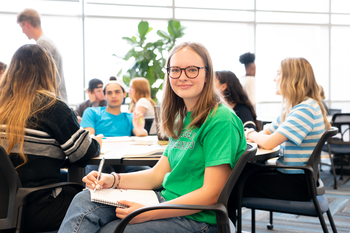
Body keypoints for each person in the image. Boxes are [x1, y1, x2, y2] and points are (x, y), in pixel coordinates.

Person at [58, 42, 246, 233]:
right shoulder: (182, 116)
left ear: (207, 74)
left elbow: (212, 194)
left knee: (110, 230)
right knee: (84, 199)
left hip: (198, 219)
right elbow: (157, 174)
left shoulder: (221, 119)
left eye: (192, 70)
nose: (182, 77)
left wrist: (151, 212)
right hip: (165, 201)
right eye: (176, 70)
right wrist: (113, 179)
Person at [0, 44, 102, 232]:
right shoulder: (53, 107)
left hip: (4, 208)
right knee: (95, 200)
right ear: (48, 72)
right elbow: (83, 154)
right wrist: (95, 142)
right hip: (32, 209)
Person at [228, 57, 331, 224]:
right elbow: (268, 131)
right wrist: (255, 134)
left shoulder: (305, 110)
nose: (274, 79)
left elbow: (268, 142)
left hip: (297, 183)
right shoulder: (293, 106)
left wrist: (249, 133)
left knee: (231, 182)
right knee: (239, 173)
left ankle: (223, 227)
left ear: (292, 79)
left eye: (278, 74)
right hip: (293, 175)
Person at [82, 76, 149, 174]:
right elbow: (89, 140)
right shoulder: (91, 113)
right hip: (100, 160)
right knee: (102, 176)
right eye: (109, 93)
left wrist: (139, 129)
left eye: (117, 92)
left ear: (124, 94)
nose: (113, 96)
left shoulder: (130, 117)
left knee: (152, 175)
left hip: (126, 161)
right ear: (104, 96)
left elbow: (141, 134)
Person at [17, 8, 68, 102]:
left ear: (27, 24)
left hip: (53, 100)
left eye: (21, 27)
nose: (22, 31)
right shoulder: (45, 41)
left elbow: (43, 76)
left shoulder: (43, 44)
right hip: (55, 98)